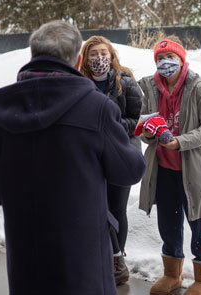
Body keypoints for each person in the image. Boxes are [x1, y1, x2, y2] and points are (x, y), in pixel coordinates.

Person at [0, 21, 146, 295]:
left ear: (33, 55)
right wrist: (132, 141)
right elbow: (129, 171)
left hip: (27, 257)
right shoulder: (96, 107)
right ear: (77, 60)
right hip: (84, 259)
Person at [138, 39, 201, 295]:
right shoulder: (149, 88)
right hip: (162, 169)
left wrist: (180, 142)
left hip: (194, 171)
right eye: (160, 57)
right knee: (168, 225)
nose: (165, 62)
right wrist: (150, 134)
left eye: (170, 56)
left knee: (199, 225)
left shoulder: (198, 88)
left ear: (181, 59)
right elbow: (140, 124)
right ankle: (172, 274)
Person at [80, 35, 143, 285]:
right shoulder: (79, 83)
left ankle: (117, 260)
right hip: (90, 155)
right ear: (85, 58)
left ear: (112, 55)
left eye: (103, 53)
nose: (99, 58)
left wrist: (108, 125)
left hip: (120, 151)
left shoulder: (126, 82)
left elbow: (136, 120)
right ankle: (109, 256)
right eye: (93, 54)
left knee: (116, 208)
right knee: (98, 208)